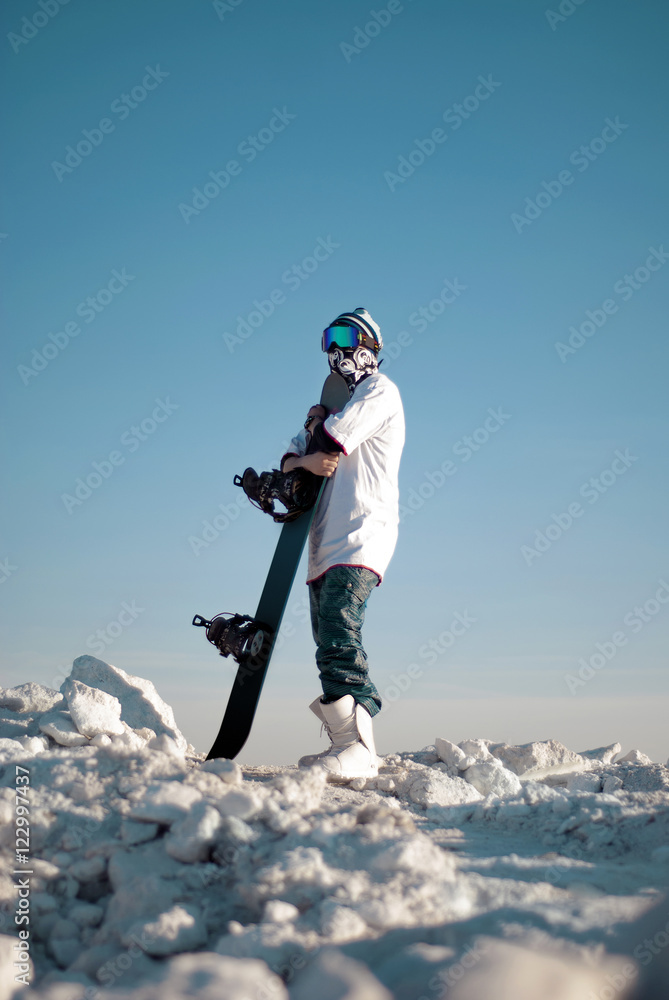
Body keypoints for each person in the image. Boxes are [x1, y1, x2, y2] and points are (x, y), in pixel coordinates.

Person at [280, 308, 405, 780]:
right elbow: (288, 460)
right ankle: (342, 741)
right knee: (326, 640)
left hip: (361, 533)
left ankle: (360, 749)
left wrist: (313, 442)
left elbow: (331, 443)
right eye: (328, 339)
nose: (336, 349)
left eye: (345, 336)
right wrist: (304, 458)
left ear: (371, 344)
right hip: (323, 542)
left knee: (339, 629)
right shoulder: (331, 411)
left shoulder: (380, 390)